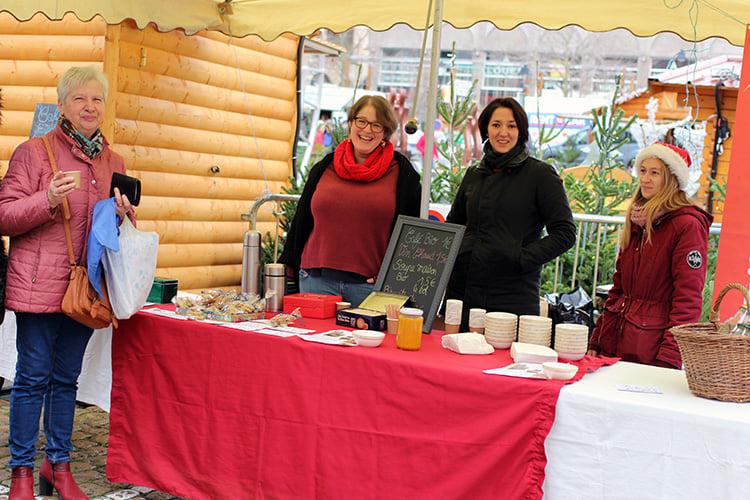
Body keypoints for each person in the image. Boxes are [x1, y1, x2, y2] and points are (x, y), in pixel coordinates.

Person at [0, 66, 134, 500]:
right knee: (31, 378)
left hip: (85, 291)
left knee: (66, 381)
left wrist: (123, 215)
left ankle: (58, 465)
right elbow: (5, 216)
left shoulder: (115, 162)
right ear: (62, 106)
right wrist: (47, 199)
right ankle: (21, 472)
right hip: (38, 286)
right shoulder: (33, 153)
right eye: (80, 99)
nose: (89, 107)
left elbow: (109, 235)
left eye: (97, 99)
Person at [444, 97, 576, 328]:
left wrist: (520, 258)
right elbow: (454, 224)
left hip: (512, 293)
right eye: (496, 125)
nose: (503, 132)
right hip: (464, 290)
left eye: (511, 126)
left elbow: (565, 233)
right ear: (486, 128)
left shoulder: (541, 175)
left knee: (503, 361)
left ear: (521, 131)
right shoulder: (474, 174)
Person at [280, 95, 421, 306]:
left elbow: (411, 235)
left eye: (376, 125)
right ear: (351, 124)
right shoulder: (324, 167)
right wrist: (288, 265)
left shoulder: (403, 174)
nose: (367, 130)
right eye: (361, 121)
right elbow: (302, 220)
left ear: (385, 132)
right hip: (315, 281)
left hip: (371, 288)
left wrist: (391, 274)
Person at [587, 142, 711, 368]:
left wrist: (671, 356)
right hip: (616, 343)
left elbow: (688, 299)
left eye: (655, 173)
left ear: (672, 179)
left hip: (652, 351)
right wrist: (597, 339)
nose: (645, 178)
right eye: (643, 171)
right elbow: (618, 288)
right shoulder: (638, 220)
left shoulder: (687, 225)